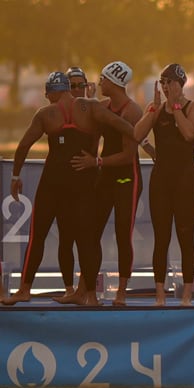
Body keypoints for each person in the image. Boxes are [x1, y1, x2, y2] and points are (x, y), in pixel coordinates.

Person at [5, 71, 139, 307]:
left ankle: (24, 289)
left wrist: (16, 176)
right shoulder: (91, 107)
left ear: (51, 93)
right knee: (87, 239)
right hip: (83, 182)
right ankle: (91, 296)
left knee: (39, 236)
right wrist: (146, 144)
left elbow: (24, 145)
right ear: (68, 88)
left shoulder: (46, 114)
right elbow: (122, 125)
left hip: (53, 183)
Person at [71, 61, 144, 306]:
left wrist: (97, 162)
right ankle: (84, 289)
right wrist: (89, 106)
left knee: (123, 234)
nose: (99, 82)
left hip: (127, 178)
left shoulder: (132, 111)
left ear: (114, 82)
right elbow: (92, 139)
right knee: (91, 233)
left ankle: (121, 291)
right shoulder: (102, 106)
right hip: (105, 177)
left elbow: (127, 154)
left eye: (103, 79)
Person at [135, 63, 194, 307]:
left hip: (185, 178)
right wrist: (153, 111)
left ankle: (186, 295)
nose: (166, 88)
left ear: (180, 84)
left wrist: (176, 106)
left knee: (185, 235)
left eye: (170, 83)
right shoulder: (155, 108)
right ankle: (160, 295)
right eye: (163, 83)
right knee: (161, 238)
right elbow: (136, 135)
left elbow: (189, 133)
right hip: (161, 179)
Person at [55, 66, 92, 297]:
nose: (77, 90)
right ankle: (69, 289)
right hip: (62, 184)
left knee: (86, 238)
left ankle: (85, 289)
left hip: (87, 183)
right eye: (72, 86)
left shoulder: (93, 109)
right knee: (65, 237)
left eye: (81, 85)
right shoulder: (55, 111)